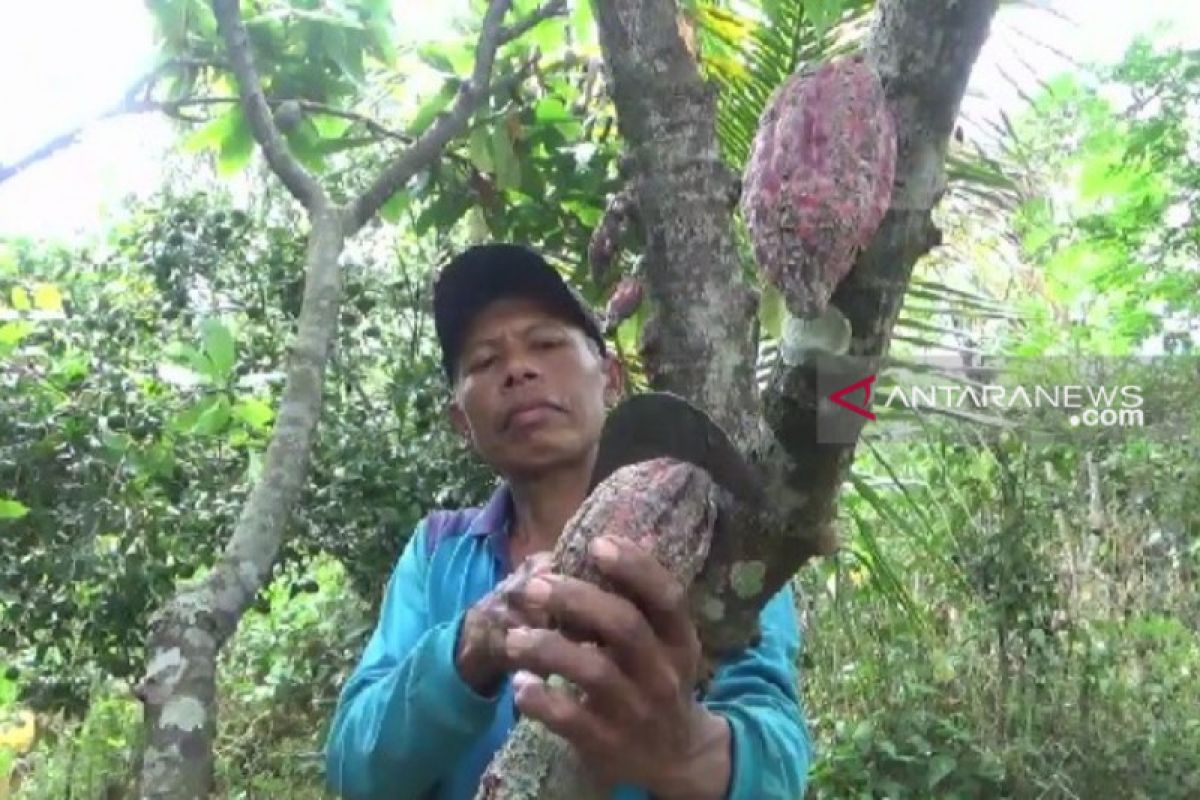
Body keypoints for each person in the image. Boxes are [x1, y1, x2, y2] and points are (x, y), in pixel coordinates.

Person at [323, 243, 813, 800]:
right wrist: (473, 643)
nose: (518, 370)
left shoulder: (717, 534)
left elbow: (777, 766)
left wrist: (686, 750)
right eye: (485, 361)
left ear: (611, 376)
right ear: (462, 421)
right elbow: (354, 771)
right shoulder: (439, 550)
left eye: (547, 343)